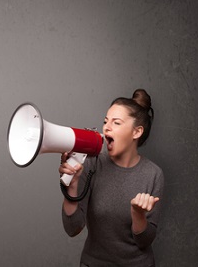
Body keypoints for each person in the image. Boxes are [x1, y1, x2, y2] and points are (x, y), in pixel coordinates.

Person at [59, 89, 164, 267]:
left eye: (116, 123)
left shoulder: (153, 174)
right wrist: (72, 185)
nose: (106, 127)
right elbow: (72, 228)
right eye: (105, 121)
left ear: (137, 132)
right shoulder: (91, 164)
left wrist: (138, 215)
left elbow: (144, 241)